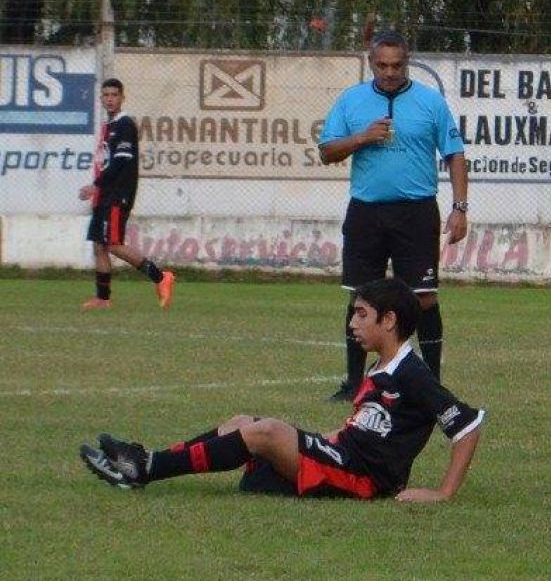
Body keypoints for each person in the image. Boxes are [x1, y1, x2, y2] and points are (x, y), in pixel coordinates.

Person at [79, 278, 485, 502]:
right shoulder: (383, 366)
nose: (352, 324)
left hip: (363, 478)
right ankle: (147, 461)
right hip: (342, 456)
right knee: (243, 422)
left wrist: (443, 493)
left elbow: (466, 428)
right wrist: (326, 439)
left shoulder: (412, 372)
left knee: (267, 431)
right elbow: (371, 428)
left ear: (390, 320)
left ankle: (145, 468)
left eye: (362, 315)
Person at [318, 30, 469, 401]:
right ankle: (355, 383)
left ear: (407, 61)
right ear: (371, 63)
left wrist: (460, 208)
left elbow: (455, 154)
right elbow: (327, 151)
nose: (389, 72)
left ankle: (430, 383)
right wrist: (362, 138)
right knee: (360, 298)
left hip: (416, 213)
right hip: (366, 212)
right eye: (382, 65)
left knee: (423, 299)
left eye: (397, 65)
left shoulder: (430, 103)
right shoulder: (351, 101)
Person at [78, 78, 175, 310]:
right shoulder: (108, 127)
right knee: (99, 246)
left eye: (114, 95)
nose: (110, 99)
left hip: (116, 194)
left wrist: (96, 185)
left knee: (112, 244)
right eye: (106, 95)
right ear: (101, 99)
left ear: (122, 97)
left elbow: (121, 162)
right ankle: (103, 298)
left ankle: (161, 277)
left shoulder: (125, 125)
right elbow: (106, 160)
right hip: (104, 195)